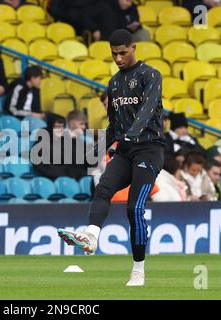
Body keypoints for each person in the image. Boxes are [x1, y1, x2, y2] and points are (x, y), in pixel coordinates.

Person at [58, 29, 165, 286]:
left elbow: (148, 111)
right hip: (127, 150)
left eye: (122, 53)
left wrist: (130, 136)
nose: (118, 59)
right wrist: (96, 149)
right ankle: (91, 237)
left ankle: (138, 270)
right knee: (103, 189)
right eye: (113, 54)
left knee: (134, 208)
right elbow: (114, 126)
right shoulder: (114, 83)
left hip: (149, 149)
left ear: (134, 48)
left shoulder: (151, 75)